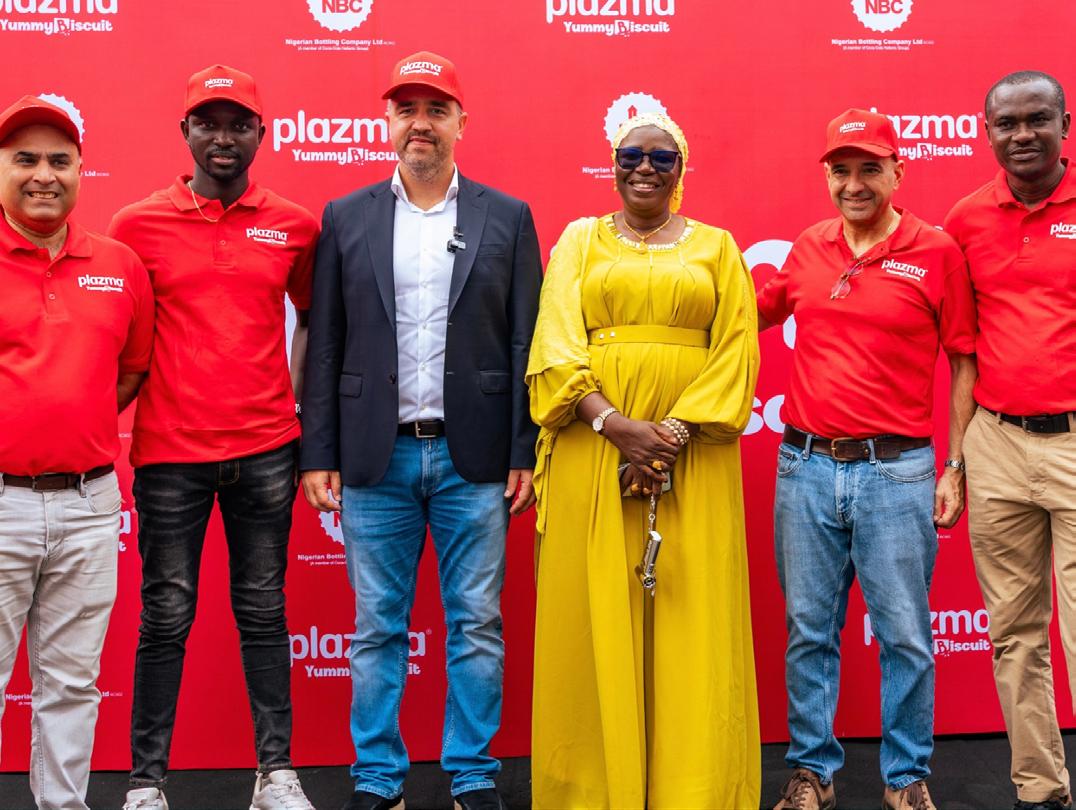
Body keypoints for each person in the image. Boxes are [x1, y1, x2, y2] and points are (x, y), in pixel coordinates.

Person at [299, 51, 541, 810]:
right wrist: (319, 452)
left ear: (462, 123)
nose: (421, 124)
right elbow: (326, 341)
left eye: (436, 110)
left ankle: (472, 774)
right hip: (377, 457)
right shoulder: (346, 216)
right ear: (388, 121)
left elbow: (526, 342)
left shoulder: (508, 216)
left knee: (477, 624)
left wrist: (523, 448)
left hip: (477, 459)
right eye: (407, 110)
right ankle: (377, 778)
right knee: (376, 626)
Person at [526, 112, 761, 809]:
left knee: (692, 616)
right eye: (631, 155)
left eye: (662, 157)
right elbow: (554, 344)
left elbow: (737, 348)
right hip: (592, 448)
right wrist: (617, 427)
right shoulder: (578, 240)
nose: (645, 168)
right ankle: (594, 791)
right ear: (613, 163)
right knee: (591, 615)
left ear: (681, 169)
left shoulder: (719, 247)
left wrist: (667, 439)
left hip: (693, 455)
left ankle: (695, 790)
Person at [108, 65, 320, 810]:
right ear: (185, 131)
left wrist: (295, 404)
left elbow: (312, 320)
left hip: (267, 451)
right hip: (170, 456)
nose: (222, 138)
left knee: (264, 612)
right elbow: (119, 339)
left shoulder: (295, 225)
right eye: (208, 123)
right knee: (165, 617)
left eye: (237, 125)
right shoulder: (135, 226)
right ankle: (146, 785)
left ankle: (276, 776)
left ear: (262, 133)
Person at [757, 108, 978, 810]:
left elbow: (964, 361)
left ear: (898, 172)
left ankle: (906, 778)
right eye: (841, 171)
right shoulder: (808, 247)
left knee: (906, 636)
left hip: (898, 472)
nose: (854, 184)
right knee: (808, 633)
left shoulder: (936, 251)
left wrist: (955, 467)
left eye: (869, 169)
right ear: (827, 176)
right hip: (806, 467)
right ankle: (811, 773)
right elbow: (745, 312)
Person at [0, 95, 154, 810]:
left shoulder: (119, 265)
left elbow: (130, 370)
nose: (44, 175)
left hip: (90, 506)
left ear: (80, 170)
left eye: (59, 161)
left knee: (70, 684)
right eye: (25, 159)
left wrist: (66, 421)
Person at [944, 71, 1075, 810]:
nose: (1023, 134)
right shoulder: (965, 220)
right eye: (1007, 123)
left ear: (1065, 124)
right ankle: (1039, 790)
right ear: (986, 132)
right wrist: (957, 460)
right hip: (995, 442)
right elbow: (961, 352)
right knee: (1015, 634)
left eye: (1037, 119)